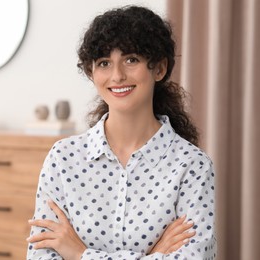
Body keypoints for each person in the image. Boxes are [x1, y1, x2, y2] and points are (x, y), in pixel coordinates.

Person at [26, 5, 216, 259]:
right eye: (104, 63)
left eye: (131, 60)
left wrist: (80, 254)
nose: (117, 75)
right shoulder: (63, 159)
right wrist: (153, 255)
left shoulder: (192, 166)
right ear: (91, 73)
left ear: (159, 68)